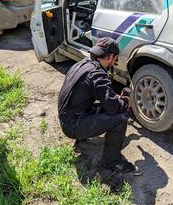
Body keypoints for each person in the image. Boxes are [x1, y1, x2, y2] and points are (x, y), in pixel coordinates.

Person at [58, 37, 138, 173]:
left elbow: (95, 95)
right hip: (72, 126)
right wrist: (125, 101)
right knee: (121, 118)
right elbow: (114, 107)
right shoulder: (97, 75)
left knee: (104, 106)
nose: (115, 62)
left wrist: (112, 99)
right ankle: (111, 162)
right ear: (110, 57)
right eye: (115, 59)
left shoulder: (82, 64)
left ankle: (81, 137)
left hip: (67, 117)